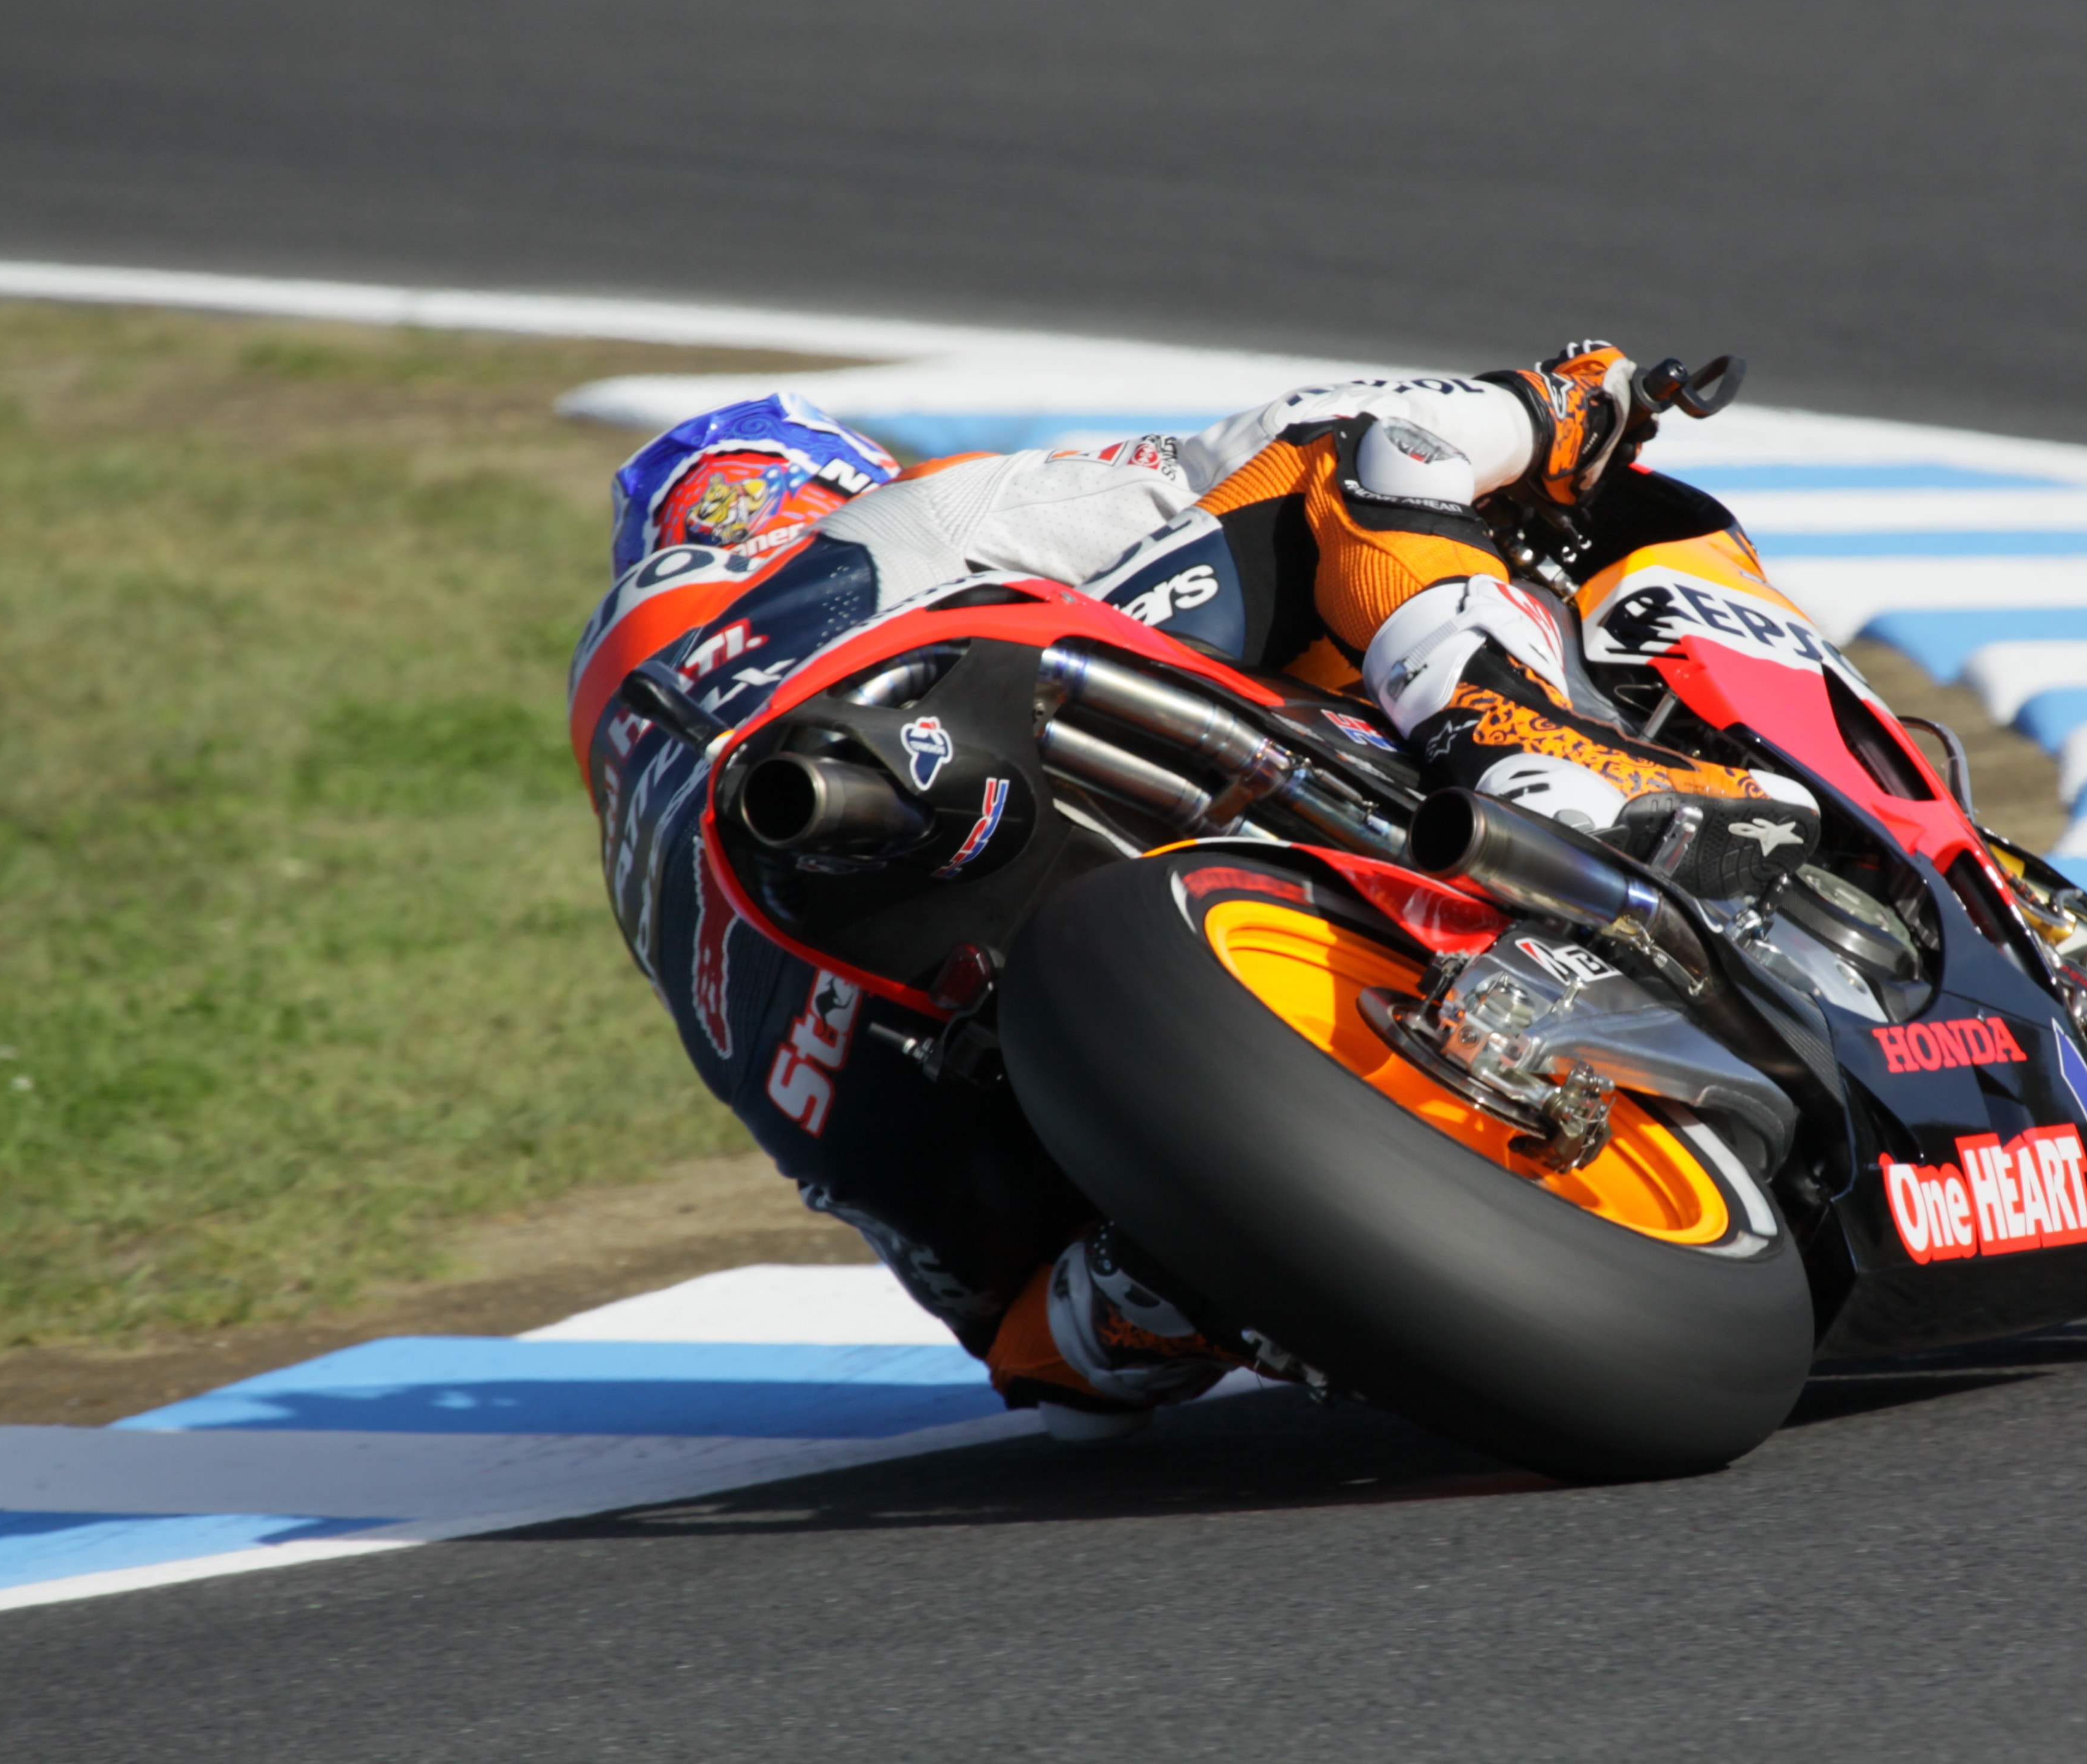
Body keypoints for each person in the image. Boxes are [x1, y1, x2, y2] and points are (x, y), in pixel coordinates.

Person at [573, 345, 1821, 1437]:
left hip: (836, 1066)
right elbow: (1266, 444)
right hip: (955, 738)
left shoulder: (636, 812)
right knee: (1356, 455)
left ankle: (1122, 1306)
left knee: (1036, 1352)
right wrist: (1553, 403)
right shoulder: (881, 528)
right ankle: (1532, 758)